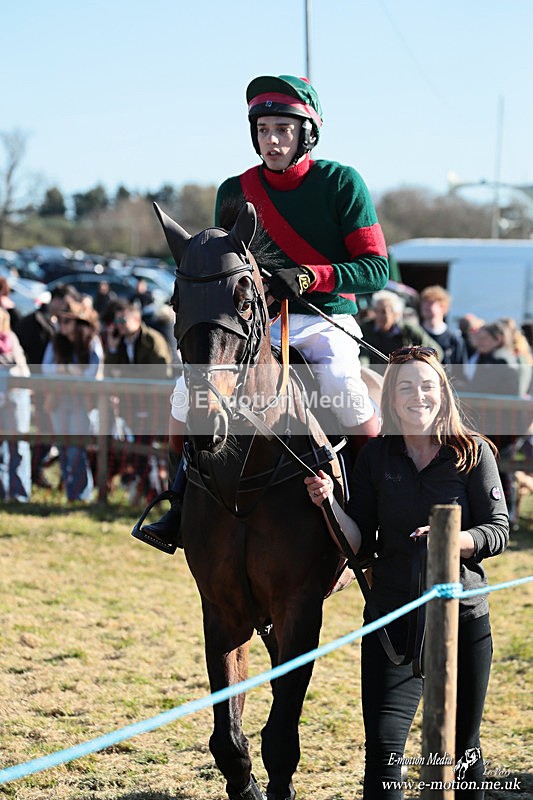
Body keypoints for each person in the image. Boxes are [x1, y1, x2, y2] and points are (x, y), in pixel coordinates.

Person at [133, 72, 389, 553]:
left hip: (323, 319)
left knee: (344, 389)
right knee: (185, 397)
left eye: (283, 130)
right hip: (257, 323)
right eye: (263, 130)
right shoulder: (234, 189)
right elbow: (223, 268)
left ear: (306, 133)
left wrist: (308, 277)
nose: (272, 141)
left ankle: (375, 513)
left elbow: (376, 269)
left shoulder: (342, 182)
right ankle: (179, 502)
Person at [304, 345, 509, 798]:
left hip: (463, 619)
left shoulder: (472, 452)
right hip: (391, 619)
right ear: (391, 399)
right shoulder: (376, 457)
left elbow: (498, 530)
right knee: (383, 752)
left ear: (443, 392)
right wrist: (329, 502)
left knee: (461, 749)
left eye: (427, 386)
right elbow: (358, 541)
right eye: (406, 388)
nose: (418, 396)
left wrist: (452, 538)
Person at [104, 299, 172, 501]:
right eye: (116, 321)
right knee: (136, 450)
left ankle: (154, 493)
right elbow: (110, 373)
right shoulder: (120, 342)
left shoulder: (152, 340)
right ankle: (146, 491)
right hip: (130, 406)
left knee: (148, 450)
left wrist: (128, 378)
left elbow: (161, 373)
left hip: (155, 405)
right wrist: (112, 349)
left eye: (123, 320)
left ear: (136, 319)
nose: (119, 325)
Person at [14, 284, 82, 488]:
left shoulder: (56, 323)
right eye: (66, 302)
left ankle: (40, 472)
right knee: (46, 431)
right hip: (39, 385)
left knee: (52, 433)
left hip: (55, 387)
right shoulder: (33, 322)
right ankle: (34, 471)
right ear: (57, 300)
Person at [42, 299, 104, 501]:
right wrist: (69, 371)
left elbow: (94, 372)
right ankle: (71, 494)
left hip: (81, 401)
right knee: (63, 447)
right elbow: (46, 368)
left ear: (78, 323)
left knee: (77, 449)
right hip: (58, 399)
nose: (62, 324)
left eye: (67, 320)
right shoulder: (56, 342)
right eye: (60, 320)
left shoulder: (91, 340)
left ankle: (82, 496)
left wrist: (70, 372)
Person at [360, 290, 443, 371]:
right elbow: (363, 356)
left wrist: (418, 366)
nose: (379, 316)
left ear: (396, 314)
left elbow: (436, 351)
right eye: (376, 311)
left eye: (384, 312)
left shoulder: (409, 331)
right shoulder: (365, 329)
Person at [0, 308, 32, 502]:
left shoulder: (11, 340)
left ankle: (19, 494)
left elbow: (23, 371)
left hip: (16, 397)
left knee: (18, 445)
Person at [419, 285, 468, 365]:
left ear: (443, 307)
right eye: (424, 302)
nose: (425, 306)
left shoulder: (454, 340)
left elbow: (460, 369)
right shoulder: (415, 335)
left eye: (430, 302)